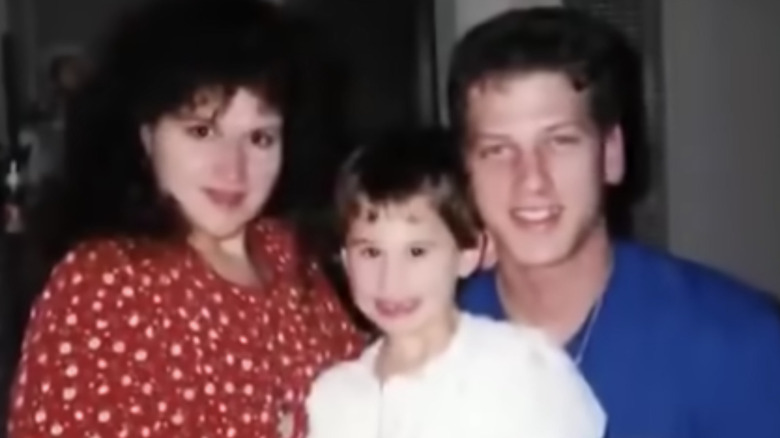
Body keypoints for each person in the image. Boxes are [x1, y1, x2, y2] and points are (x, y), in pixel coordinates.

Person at [7, 0, 362, 437]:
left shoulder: (294, 257)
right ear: (146, 133)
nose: (233, 168)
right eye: (201, 130)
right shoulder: (102, 285)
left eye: (259, 137)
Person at [449, 7, 780, 438]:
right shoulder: (428, 346)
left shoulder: (739, 347)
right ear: (466, 171)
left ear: (610, 154)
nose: (531, 180)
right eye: (498, 149)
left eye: (561, 141)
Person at [306, 129, 605, 438]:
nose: (390, 279)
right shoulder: (334, 398)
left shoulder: (521, 369)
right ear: (345, 259)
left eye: (416, 251)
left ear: (468, 253)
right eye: (370, 252)